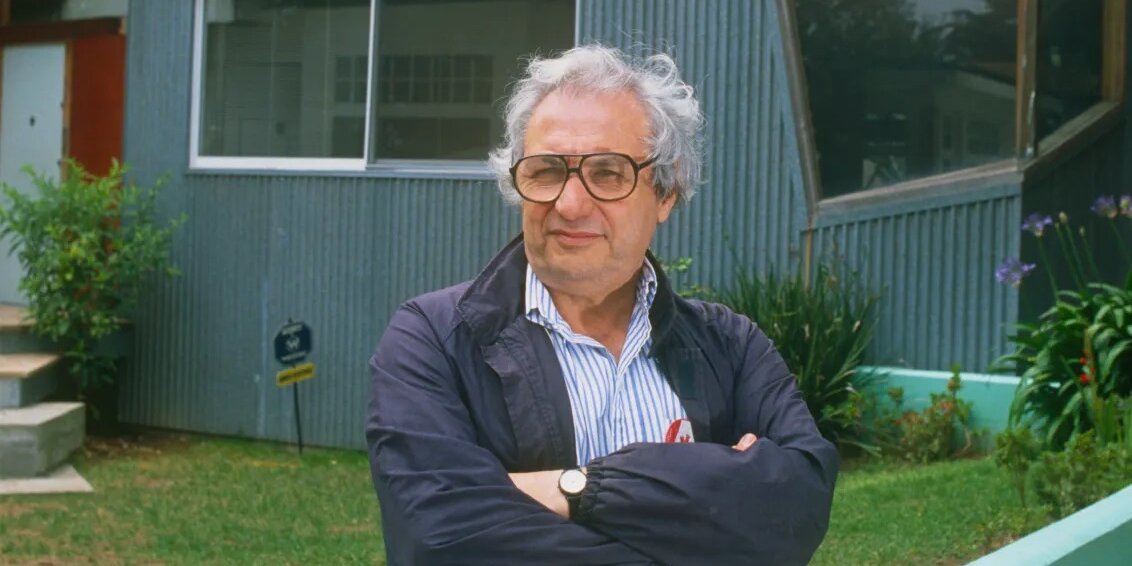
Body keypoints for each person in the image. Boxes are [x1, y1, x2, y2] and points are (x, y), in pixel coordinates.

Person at [366, 44, 838, 565]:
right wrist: (705, 501)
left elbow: (798, 502)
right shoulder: (435, 341)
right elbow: (439, 539)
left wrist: (578, 490)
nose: (570, 204)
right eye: (547, 171)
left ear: (666, 192)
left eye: (609, 173)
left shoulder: (730, 346)